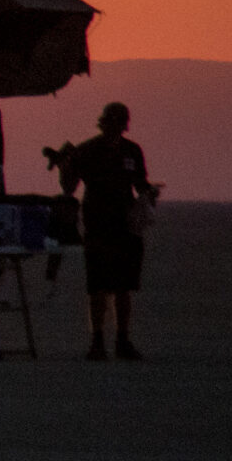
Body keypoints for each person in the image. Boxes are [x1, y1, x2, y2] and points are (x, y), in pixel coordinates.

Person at [53, 103, 159, 361]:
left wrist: (149, 196)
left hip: (126, 228)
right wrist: (65, 165)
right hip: (97, 225)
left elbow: (140, 184)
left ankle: (122, 340)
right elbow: (68, 186)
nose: (114, 128)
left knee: (124, 287)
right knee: (98, 287)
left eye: (117, 123)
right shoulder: (86, 151)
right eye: (110, 123)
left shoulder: (132, 151)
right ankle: (98, 341)